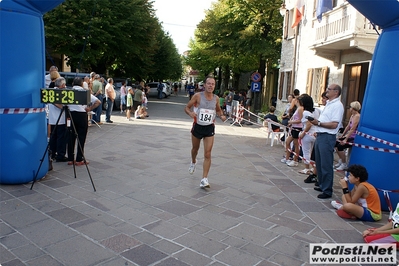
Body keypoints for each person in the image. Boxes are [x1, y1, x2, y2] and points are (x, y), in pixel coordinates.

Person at [185, 76, 227, 188]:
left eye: (213, 84)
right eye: (209, 83)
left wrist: (221, 115)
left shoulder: (216, 98)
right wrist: (190, 113)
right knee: (195, 149)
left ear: (214, 86)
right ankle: (193, 161)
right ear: (205, 85)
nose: (210, 86)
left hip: (209, 127)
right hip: (198, 126)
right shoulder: (198, 96)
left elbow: (218, 109)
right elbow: (187, 107)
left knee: (207, 153)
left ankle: (204, 179)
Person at [309, 84, 344, 199]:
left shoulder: (337, 106)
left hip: (328, 137)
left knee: (326, 163)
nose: (327, 91)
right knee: (319, 162)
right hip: (321, 135)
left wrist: (318, 123)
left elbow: (334, 124)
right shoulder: (329, 104)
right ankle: (322, 183)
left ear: (336, 92)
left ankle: (327, 189)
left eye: (329, 89)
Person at [67, 77, 101, 166]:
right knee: (81, 137)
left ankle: (70, 159)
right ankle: (79, 158)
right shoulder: (85, 93)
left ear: (73, 84)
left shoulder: (69, 92)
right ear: (82, 84)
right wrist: (89, 108)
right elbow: (98, 102)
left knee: (71, 137)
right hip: (82, 115)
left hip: (71, 115)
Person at [304, 92, 328, 183]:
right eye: (322, 98)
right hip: (318, 134)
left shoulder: (332, 109)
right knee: (316, 157)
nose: (322, 100)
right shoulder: (323, 109)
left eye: (325, 98)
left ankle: (318, 177)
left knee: (322, 158)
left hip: (325, 135)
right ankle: (315, 174)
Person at [334, 101, 361, 171]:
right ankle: (341, 160)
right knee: (336, 144)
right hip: (349, 135)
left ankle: (344, 164)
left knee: (340, 146)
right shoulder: (352, 116)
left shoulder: (357, 116)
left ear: (353, 108)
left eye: (351, 107)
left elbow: (352, 129)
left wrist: (346, 139)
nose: (350, 108)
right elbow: (348, 126)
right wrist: (342, 135)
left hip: (354, 136)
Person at [298, 94, 319, 174]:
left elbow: (308, 124)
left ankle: (307, 168)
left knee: (306, 151)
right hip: (315, 133)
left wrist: (303, 133)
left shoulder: (306, 112)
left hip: (308, 134)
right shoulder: (316, 111)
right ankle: (313, 168)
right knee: (312, 152)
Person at [48, 77, 68, 162]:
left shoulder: (51, 91)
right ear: (62, 85)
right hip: (60, 119)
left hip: (52, 119)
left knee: (53, 137)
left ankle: (52, 154)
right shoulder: (60, 92)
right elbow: (61, 105)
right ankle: (60, 154)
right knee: (61, 138)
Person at [281, 95, 303, 167]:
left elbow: (300, 120)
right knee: (287, 142)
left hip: (297, 128)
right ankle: (288, 158)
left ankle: (295, 160)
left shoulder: (300, 109)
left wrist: (291, 122)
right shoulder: (297, 108)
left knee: (296, 144)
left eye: (295, 100)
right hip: (293, 127)